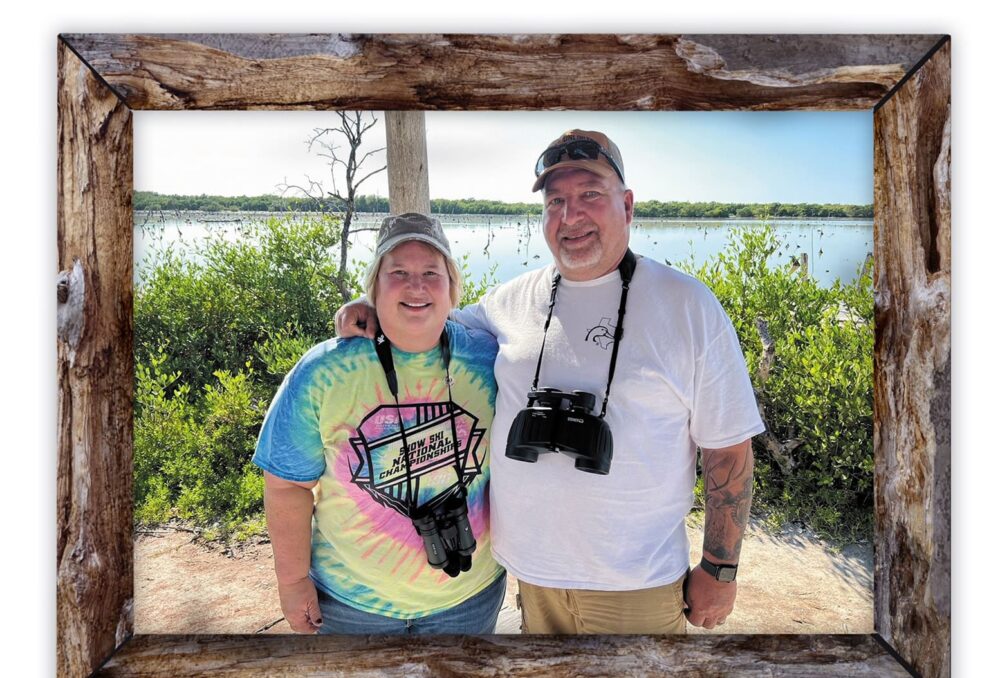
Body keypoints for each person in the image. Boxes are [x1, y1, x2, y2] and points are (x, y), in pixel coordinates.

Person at [336, 130, 764, 634]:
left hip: (636, 584)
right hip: (530, 579)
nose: (570, 215)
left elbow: (729, 450)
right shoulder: (511, 301)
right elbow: (429, 324)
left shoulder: (688, 306)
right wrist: (375, 311)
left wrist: (720, 569)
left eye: (589, 195)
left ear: (626, 205)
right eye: (555, 200)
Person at [254, 212, 506, 634]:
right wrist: (293, 582)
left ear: (452, 288)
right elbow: (286, 485)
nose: (416, 285)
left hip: (468, 601)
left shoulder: (492, 359)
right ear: (372, 287)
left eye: (431, 272)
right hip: (351, 607)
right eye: (398, 272)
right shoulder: (324, 372)